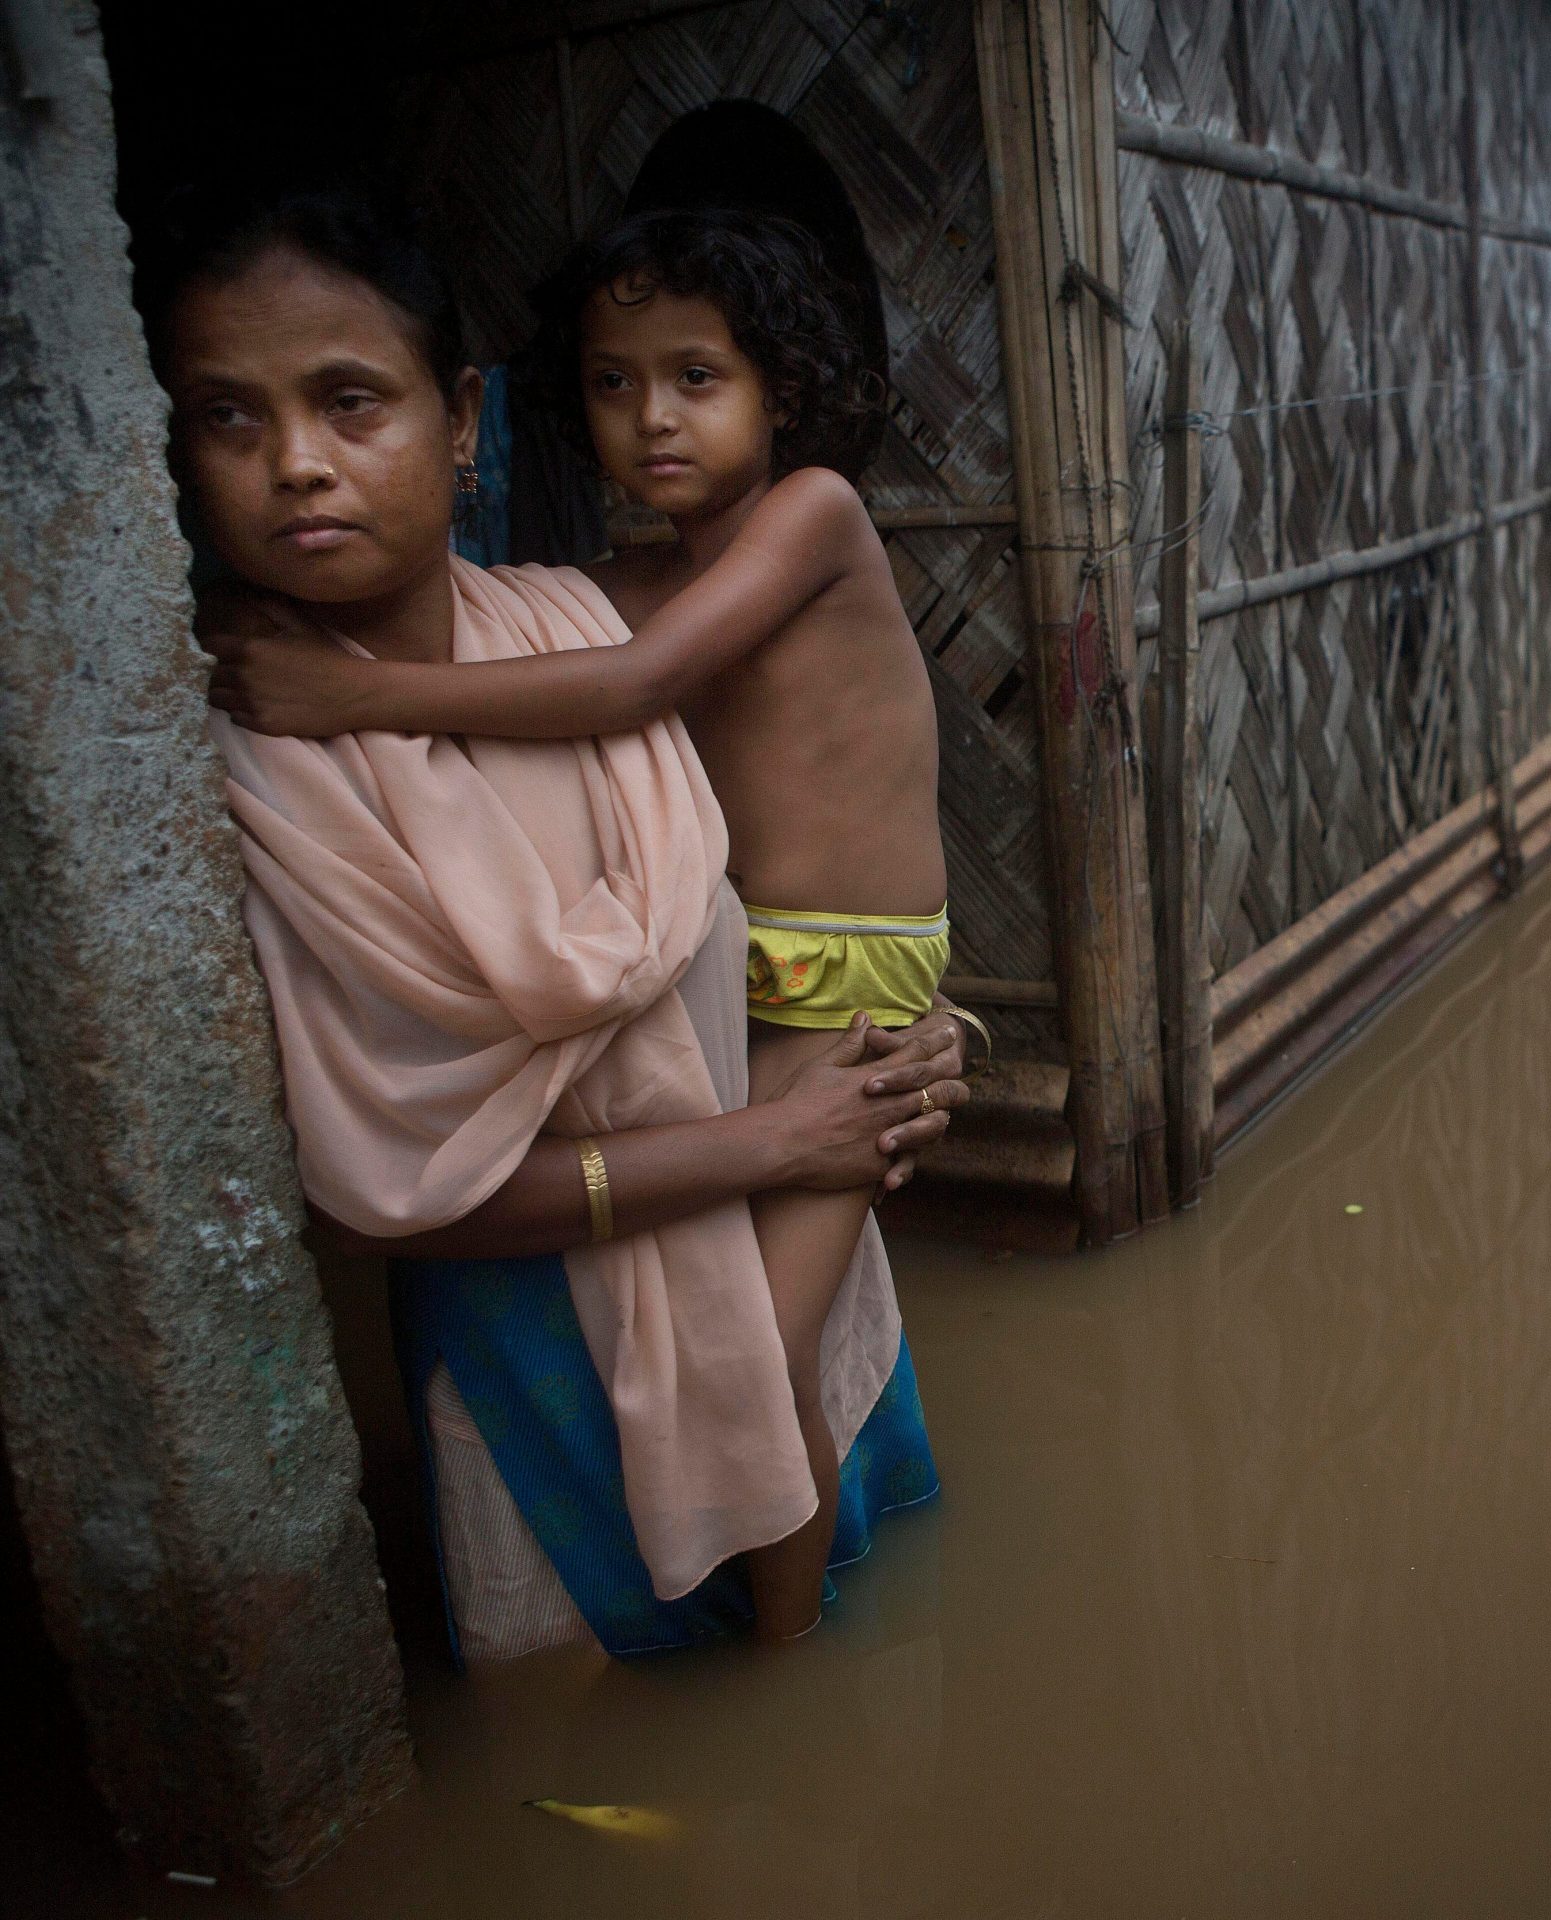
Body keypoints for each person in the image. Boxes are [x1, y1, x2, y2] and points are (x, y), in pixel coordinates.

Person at [151, 182, 971, 1658]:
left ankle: (788, 1662)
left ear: (782, 391)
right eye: (611, 383)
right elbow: (533, 627)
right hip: (753, 1009)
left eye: (696, 379)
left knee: (758, 1349)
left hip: (846, 1003)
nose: (651, 419)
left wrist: (361, 694)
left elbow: (623, 688)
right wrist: (223, 627)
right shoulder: (603, 589)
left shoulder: (811, 516)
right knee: (759, 1333)